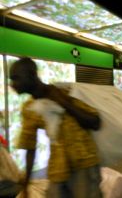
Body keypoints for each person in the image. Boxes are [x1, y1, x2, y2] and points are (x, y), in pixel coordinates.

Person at [9, 58, 102, 198]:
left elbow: (95, 122)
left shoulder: (65, 92)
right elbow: (30, 147)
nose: (12, 84)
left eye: (16, 78)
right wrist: (26, 184)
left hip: (84, 164)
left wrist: (63, 102)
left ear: (32, 74)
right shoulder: (29, 109)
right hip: (58, 168)